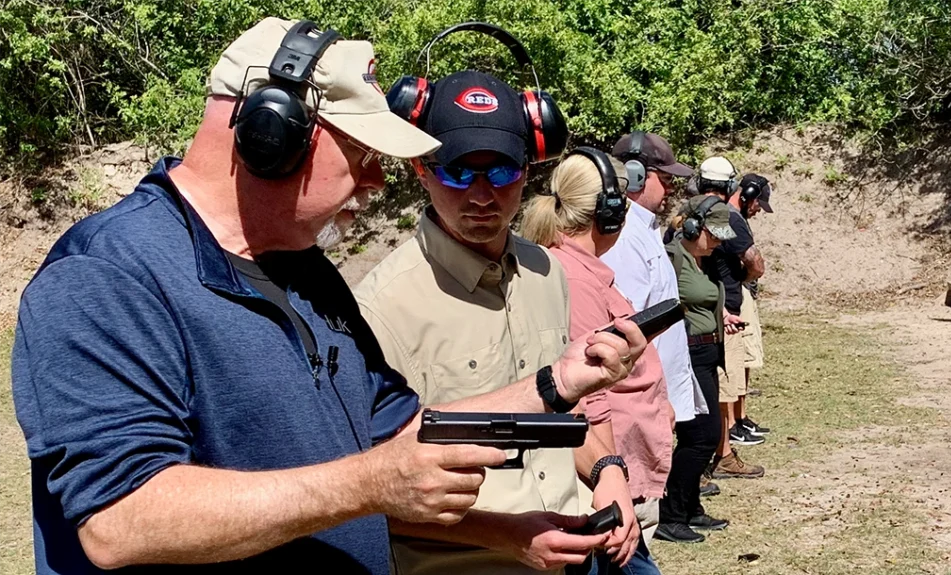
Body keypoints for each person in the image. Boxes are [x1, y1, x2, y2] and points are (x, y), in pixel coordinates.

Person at [10, 19, 643, 575]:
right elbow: (120, 520)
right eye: (362, 153)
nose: (375, 179)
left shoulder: (307, 272)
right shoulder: (105, 275)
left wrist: (558, 381)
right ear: (272, 136)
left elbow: (401, 431)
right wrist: (370, 485)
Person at [356, 64, 641, 574]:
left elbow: (560, 410)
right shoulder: (377, 309)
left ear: (529, 169)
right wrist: (507, 536)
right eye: (458, 171)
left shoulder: (546, 270)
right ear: (420, 168)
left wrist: (607, 468)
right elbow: (363, 491)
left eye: (503, 171)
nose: (482, 195)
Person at [520, 148, 675, 574]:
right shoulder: (574, 279)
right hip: (602, 478)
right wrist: (612, 475)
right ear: (607, 213)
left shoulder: (579, 269)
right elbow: (590, 394)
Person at [601, 132, 719, 496]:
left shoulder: (644, 229)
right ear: (635, 174)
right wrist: (649, 393)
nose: (669, 189)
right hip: (643, 388)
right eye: (664, 179)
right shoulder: (623, 236)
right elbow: (629, 324)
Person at [656, 195, 738, 543]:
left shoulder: (705, 259)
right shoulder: (672, 258)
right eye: (713, 233)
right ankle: (669, 515)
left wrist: (722, 316)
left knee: (701, 434)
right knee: (701, 437)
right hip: (686, 354)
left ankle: (689, 509)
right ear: (692, 227)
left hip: (707, 353)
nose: (718, 241)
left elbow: (701, 299)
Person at [695, 157, 767, 480]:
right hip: (725, 311)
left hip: (710, 306)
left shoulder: (691, 211)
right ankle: (721, 455)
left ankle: (718, 453)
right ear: (728, 187)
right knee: (723, 390)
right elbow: (755, 262)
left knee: (717, 389)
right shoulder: (724, 216)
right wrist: (741, 276)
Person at [734, 174, 775, 433]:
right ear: (748, 195)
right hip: (739, 292)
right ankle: (735, 420)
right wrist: (746, 278)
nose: (758, 209)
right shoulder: (734, 219)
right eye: (758, 203)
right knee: (742, 357)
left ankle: (741, 415)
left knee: (747, 359)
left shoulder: (738, 219)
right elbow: (754, 264)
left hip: (743, 290)